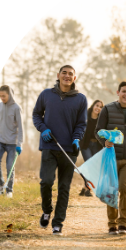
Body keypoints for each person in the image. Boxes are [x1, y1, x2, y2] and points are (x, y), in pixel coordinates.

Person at [32, 65, 87, 235]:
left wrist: (77, 138)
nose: (67, 76)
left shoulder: (81, 99)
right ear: (58, 75)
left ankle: (58, 223)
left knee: (64, 187)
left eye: (71, 74)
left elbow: (81, 123)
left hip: (69, 150)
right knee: (46, 182)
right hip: (49, 146)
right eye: (64, 73)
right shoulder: (46, 94)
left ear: (74, 78)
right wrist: (43, 128)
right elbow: (36, 115)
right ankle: (47, 210)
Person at [95, 81, 126, 235]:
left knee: (125, 188)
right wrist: (105, 141)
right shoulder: (108, 109)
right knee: (111, 190)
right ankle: (112, 224)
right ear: (118, 92)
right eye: (124, 91)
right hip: (111, 157)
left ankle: (123, 224)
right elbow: (98, 131)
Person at [0, 85, 23, 198]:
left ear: (9, 95)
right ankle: (1, 185)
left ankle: (9, 190)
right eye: (0, 96)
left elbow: (20, 127)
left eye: (3, 96)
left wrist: (19, 144)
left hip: (12, 143)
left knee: (10, 167)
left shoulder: (16, 108)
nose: (2, 98)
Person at [79, 99, 104, 197]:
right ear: (93, 106)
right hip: (86, 145)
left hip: (97, 147)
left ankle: (85, 188)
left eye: (101, 107)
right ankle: (88, 189)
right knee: (90, 165)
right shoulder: (85, 116)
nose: (98, 108)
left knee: (94, 167)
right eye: (97, 105)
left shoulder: (101, 120)